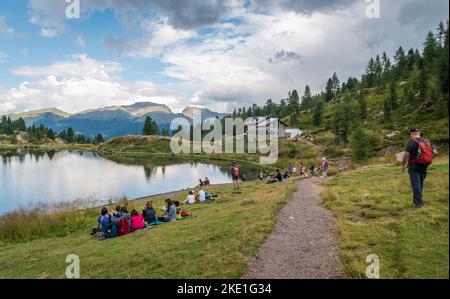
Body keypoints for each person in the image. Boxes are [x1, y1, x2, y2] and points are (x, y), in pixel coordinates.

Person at [401, 128, 435, 208]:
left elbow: (406, 155)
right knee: (420, 184)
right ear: (419, 132)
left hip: (414, 166)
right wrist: (427, 160)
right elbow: (435, 152)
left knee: (416, 184)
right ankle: (417, 201)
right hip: (424, 165)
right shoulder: (426, 141)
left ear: (411, 134)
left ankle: (419, 204)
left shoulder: (411, 142)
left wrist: (403, 165)